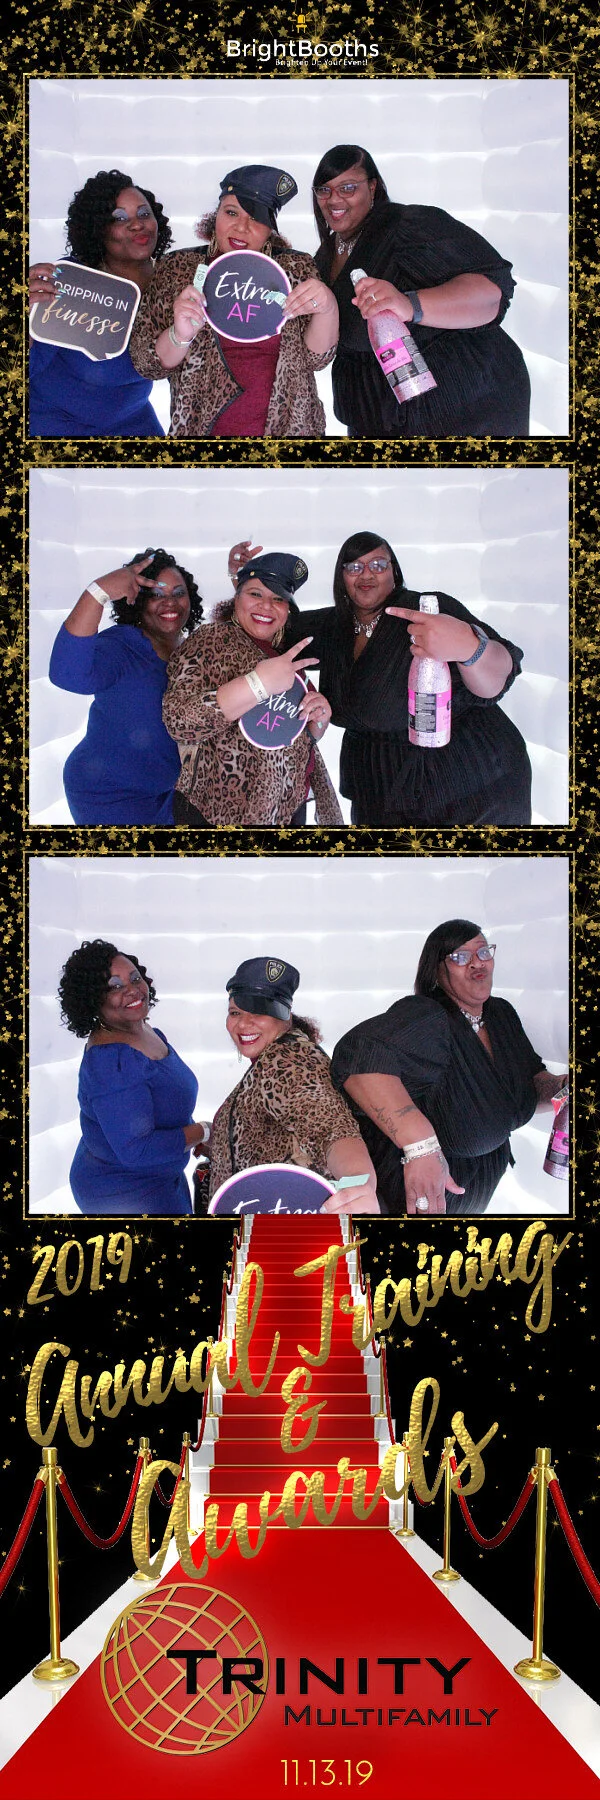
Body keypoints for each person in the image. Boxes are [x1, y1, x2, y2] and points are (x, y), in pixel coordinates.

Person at [289, 529, 532, 826]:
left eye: (378, 564)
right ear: (342, 577)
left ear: (395, 572)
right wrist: (247, 582)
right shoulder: (332, 625)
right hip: (379, 789)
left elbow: (501, 672)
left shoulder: (427, 609)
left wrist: (471, 647)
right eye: (354, 567)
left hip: (472, 781)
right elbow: (271, 626)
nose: (366, 574)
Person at [330, 920, 568, 1217]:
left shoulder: (501, 1014)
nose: (476, 963)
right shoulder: (427, 1015)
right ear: (437, 970)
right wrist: (422, 1148)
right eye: (460, 956)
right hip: (400, 1204)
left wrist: (564, 1088)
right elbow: (358, 1055)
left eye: (483, 952)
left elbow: (529, 1083)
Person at [312, 143, 531, 438]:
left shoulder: (408, 225)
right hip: (380, 415)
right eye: (324, 190)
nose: (334, 199)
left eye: (348, 187)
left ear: (372, 187)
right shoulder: (324, 257)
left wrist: (410, 304)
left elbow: (492, 292)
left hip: (463, 402)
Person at [129, 164, 339, 436]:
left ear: (270, 230)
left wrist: (327, 307)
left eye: (257, 219)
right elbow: (148, 364)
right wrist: (179, 335)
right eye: (231, 212)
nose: (241, 227)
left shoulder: (295, 268)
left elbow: (316, 359)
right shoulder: (176, 268)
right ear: (216, 214)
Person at [162, 551, 342, 827]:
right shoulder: (210, 641)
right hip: (218, 814)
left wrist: (318, 721)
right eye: (255, 594)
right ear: (236, 598)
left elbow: (291, 734)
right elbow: (180, 721)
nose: (267, 606)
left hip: (287, 809)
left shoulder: (284, 655)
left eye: (278, 599)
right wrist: (257, 684)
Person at [208, 958, 380, 1214]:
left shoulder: (287, 1060)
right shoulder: (270, 1058)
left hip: (284, 1227)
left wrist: (358, 1186)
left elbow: (332, 1129)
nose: (243, 1024)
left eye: (259, 1012)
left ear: (286, 1016)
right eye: (235, 1013)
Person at [48, 548, 203, 825]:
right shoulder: (123, 645)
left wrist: (240, 580)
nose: (170, 602)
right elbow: (67, 675)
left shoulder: (192, 650)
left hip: (169, 793)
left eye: (179, 593)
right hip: (110, 794)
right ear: (138, 601)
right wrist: (98, 592)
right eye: (156, 595)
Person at [57, 940, 210, 1215]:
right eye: (114, 986)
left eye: (135, 978)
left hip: (161, 1176)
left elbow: (164, 1103)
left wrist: (192, 1137)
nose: (132, 989)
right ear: (93, 999)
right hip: (124, 1193)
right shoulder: (111, 1062)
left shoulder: (144, 1030)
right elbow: (138, 1150)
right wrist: (204, 1130)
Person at [29, 168, 172, 437]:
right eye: (119, 218)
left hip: (133, 421)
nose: (137, 224)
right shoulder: (72, 281)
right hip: (54, 423)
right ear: (97, 229)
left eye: (144, 214)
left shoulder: (172, 281)